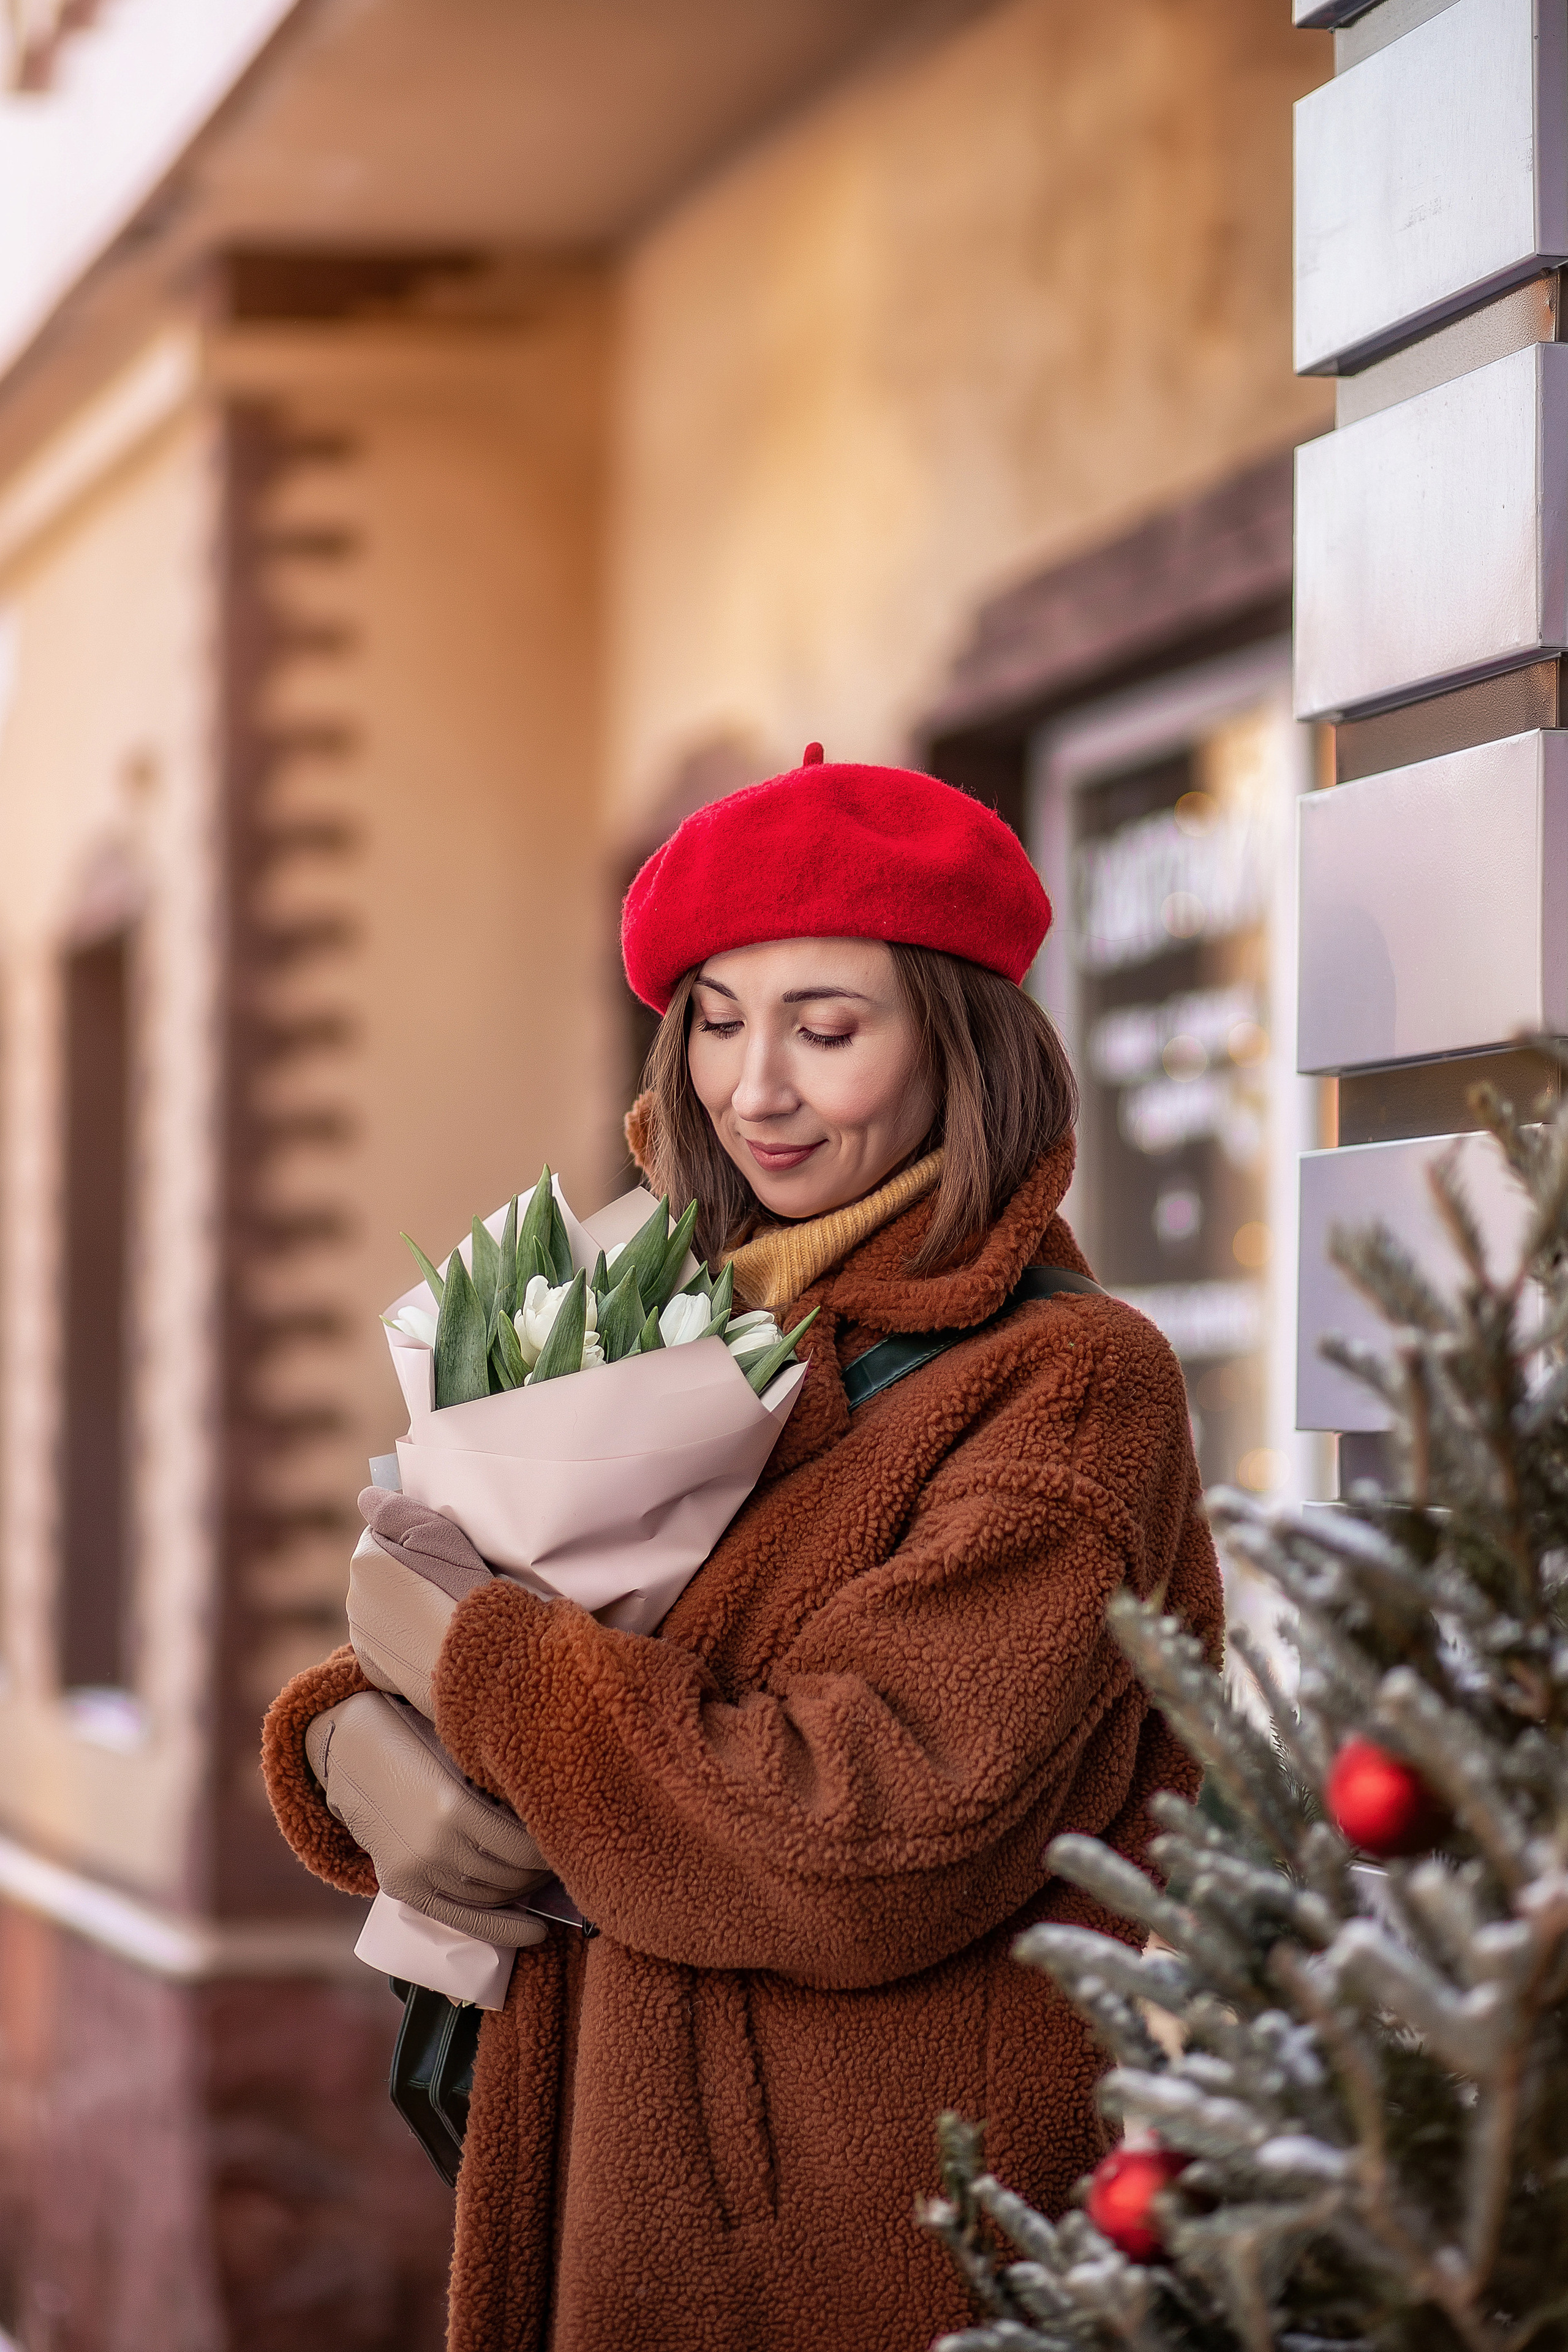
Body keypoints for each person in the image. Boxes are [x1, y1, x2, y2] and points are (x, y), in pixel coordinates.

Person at [262, 747, 1223, 2352]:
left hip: (871, 2259)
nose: (754, 1085)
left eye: (826, 1028)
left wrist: (477, 1667)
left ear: (958, 1047)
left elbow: (867, 1832)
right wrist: (352, 1743)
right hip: (601, 2192)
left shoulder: (1067, 1380)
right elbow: (578, 1642)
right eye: (717, 1019)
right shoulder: (686, 1325)